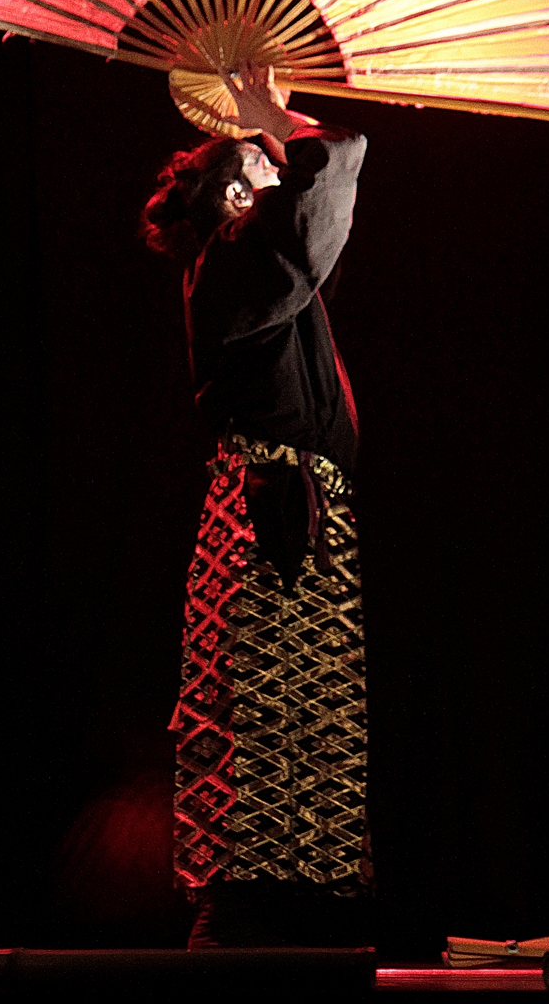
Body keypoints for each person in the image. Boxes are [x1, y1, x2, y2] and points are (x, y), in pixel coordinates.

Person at [142, 62, 371, 948]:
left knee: (306, 781)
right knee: (256, 778)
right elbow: (323, 180)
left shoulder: (273, 284)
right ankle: (230, 952)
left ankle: (289, 938)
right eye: (254, 171)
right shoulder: (230, 269)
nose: (272, 173)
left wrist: (270, 123)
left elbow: (320, 211)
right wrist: (271, 115)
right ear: (230, 197)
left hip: (301, 517)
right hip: (267, 517)